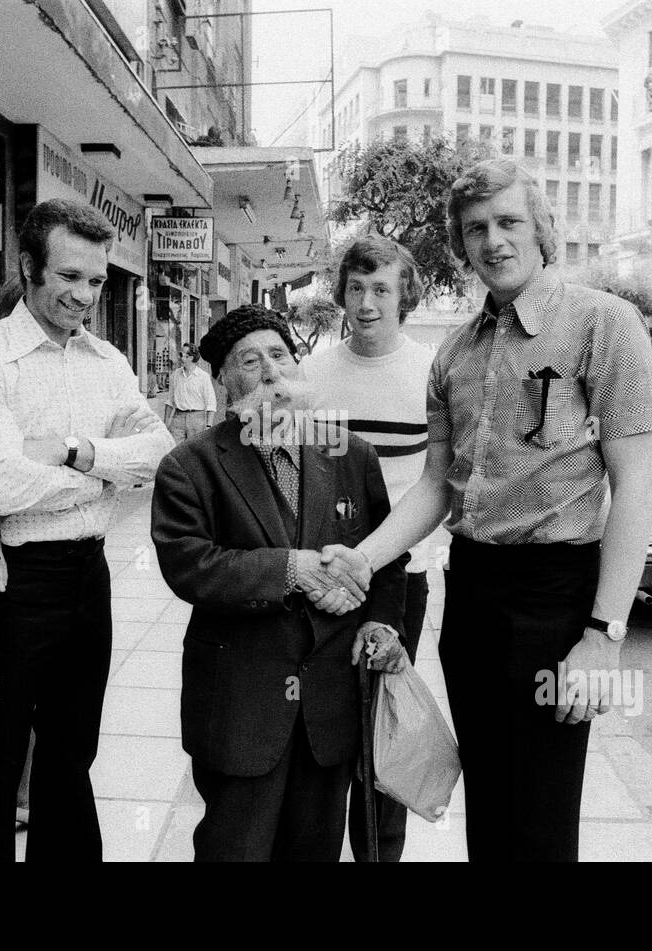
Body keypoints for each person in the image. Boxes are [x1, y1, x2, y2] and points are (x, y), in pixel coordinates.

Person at [321, 157, 652, 862]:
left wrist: (604, 635)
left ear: (541, 229)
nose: (493, 240)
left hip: (556, 599)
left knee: (539, 824)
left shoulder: (605, 325)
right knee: (491, 821)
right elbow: (437, 486)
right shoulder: (453, 353)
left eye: (508, 221)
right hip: (472, 597)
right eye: (476, 228)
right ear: (461, 243)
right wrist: (364, 556)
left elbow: (636, 485)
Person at [0, 199, 174, 863]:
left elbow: (161, 449)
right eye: (69, 276)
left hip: (89, 576)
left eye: (98, 280)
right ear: (27, 267)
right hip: (15, 583)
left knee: (73, 749)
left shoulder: (106, 361)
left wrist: (79, 451)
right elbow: (4, 486)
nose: (84, 295)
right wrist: (111, 475)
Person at [150, 304, 409, 861]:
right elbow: (189, 563)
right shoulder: (190, 466)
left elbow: (387, 560)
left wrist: (383, 626)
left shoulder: (350, 455)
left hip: (329, 706)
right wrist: (293, 569)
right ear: (222, 381)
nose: (270, 371)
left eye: (280, 355)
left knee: (314, 849)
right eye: (250, 360)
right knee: (234, 848)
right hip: (242, 706)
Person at [300, 235, 434, 863]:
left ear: (405, 294)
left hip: (399, 579)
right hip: (323, 577)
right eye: (356, 288)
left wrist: (376, 561)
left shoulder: (432, 372)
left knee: (384, 727)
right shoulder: (312, 376)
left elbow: (443, 487)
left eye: (382, 288)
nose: (367, 302)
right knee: (326, 725)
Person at [164, 344, 216, 443]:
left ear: (191, 357)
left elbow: (211, 403)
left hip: (197, 420)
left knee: (195, 452)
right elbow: (170, 401)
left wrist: (208, 426)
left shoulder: (203, 377)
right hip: (178, 418)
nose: (179, 358)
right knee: (176, 451)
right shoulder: (175, 375)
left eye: (182, 355)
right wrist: (165, 423)